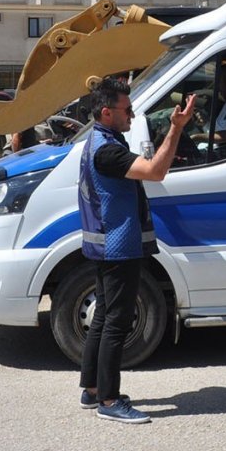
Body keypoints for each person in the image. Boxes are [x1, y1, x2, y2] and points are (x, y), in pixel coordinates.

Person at [77, 76, 195, 424]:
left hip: (108, 244)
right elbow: (156, 171)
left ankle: (93, 389)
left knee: (102, 317)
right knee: (117, 322)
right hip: (118, 246)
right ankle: (110, 402)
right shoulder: (108, 150)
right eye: (126, 109)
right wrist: (175, 128)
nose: (132, 114)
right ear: (106, 112)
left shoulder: (99, 140)